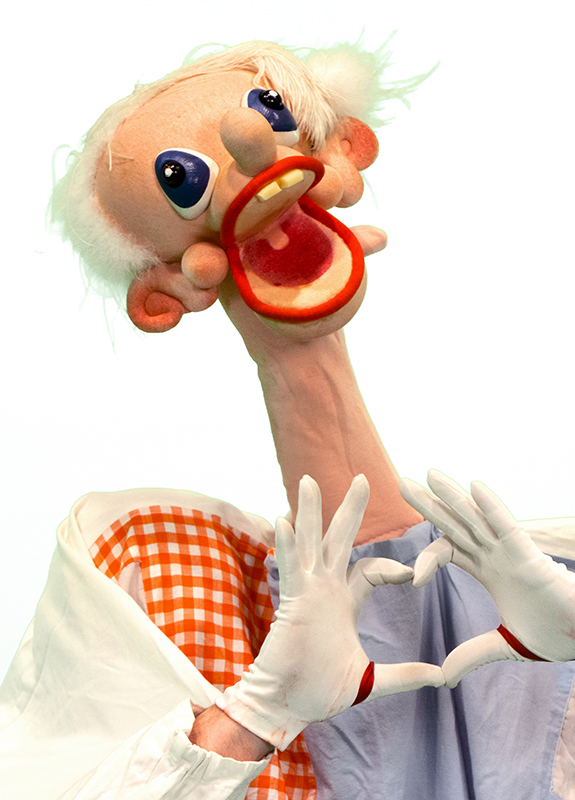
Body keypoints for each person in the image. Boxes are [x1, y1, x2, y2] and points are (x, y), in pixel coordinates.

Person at [1, 39, 574, 800]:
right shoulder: (143, 567)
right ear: (165, 292)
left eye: (271, 113)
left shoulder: (540, 584)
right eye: (183, 179)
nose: (252, 149)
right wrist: (251, 714)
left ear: (342, 153)